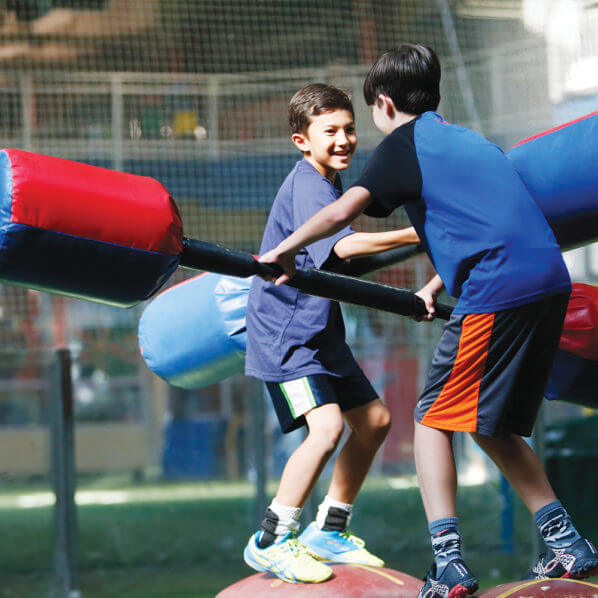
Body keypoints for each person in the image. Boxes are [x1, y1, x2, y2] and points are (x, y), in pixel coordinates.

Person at [258, 45, 598, 597]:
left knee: (430, 419)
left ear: (384, 103)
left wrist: (284, 250)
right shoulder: (471, 141)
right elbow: (482, 223)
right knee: (491, 425)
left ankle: (448, 562)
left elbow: (344, 215)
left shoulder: (403, 145)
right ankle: (568, 542)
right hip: (548, 282)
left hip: (499, 290)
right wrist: (435, 286)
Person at [243, 83, 419, 584]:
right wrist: (417, 232)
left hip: (320, 333)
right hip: (286, 337)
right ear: (302, 141)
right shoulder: (309, 185)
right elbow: (344, 248)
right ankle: (272, 538)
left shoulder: (329, 183)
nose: (343, 140)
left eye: (349, 129)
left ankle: (328, 529)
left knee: (377, 421)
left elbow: (336, 258)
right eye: (330, 132)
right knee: (327, 431)